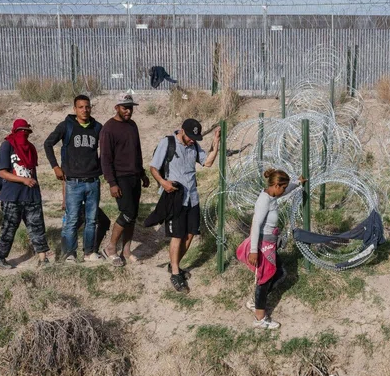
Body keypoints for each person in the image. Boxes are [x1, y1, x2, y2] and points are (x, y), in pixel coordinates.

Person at [148, 119, 222, 292]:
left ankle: (174, 264)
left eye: (194, 138)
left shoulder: (194, 145)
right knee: (177, 235)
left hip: (192, 197)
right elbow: (153, 167)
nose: (191, 140)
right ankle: (175, 273)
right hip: (175, 197)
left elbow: (207, 162)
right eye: (189, 137)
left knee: (190, 234)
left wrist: (216, 142)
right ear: (182, 130)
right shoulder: (167, 143)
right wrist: (163, 182)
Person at [236, 168, 305, 330]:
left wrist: (297, 183)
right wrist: (254, 250)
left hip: (269, 244)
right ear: (276, 185)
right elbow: (255, 225)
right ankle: (259, 318)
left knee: (279, 272)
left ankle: (255, 302)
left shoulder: (273, 194)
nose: (284, 191)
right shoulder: (264, 200)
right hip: (262, 245)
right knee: (265, 279)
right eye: (283, 187)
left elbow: (287, 190)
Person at [44, 94, 105, 263]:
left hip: (93, 182)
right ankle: (69, 254)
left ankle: (89, 252)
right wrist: (55, 166)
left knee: (91, 220)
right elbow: (48, 144)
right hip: (73, 182)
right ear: (75, 109)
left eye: (87, 107)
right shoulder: (66, 126)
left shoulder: (97, 127)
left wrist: (100, 167)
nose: (84, 110)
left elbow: (107, 148)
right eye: (81, 107)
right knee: (71, 220)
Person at [0, 118, 51, 269]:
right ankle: (0, 258)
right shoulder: (7, 145)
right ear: (15, 131)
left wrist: (36, 193)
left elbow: (32, 172)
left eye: (27, 131)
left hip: (31, 195)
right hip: (12, 196)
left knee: (37, 228)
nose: (24, 134)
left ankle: (43, 259)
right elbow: (2, 173)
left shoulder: (30, 148)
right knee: (9, 229)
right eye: (21, 131)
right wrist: (23, 180)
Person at [99, 92, 148, 267]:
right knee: (127, 213)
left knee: (133, 216)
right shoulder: (108, 129)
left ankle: (126, 251)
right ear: (116, 107)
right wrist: (112, 183)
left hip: (134, 176)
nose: (128, 111)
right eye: (125, 108)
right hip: (120, 178)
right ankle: (110, 248)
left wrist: (142, 173)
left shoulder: (132, 125)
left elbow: (137, 152)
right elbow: (105, 159)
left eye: (130, 108)